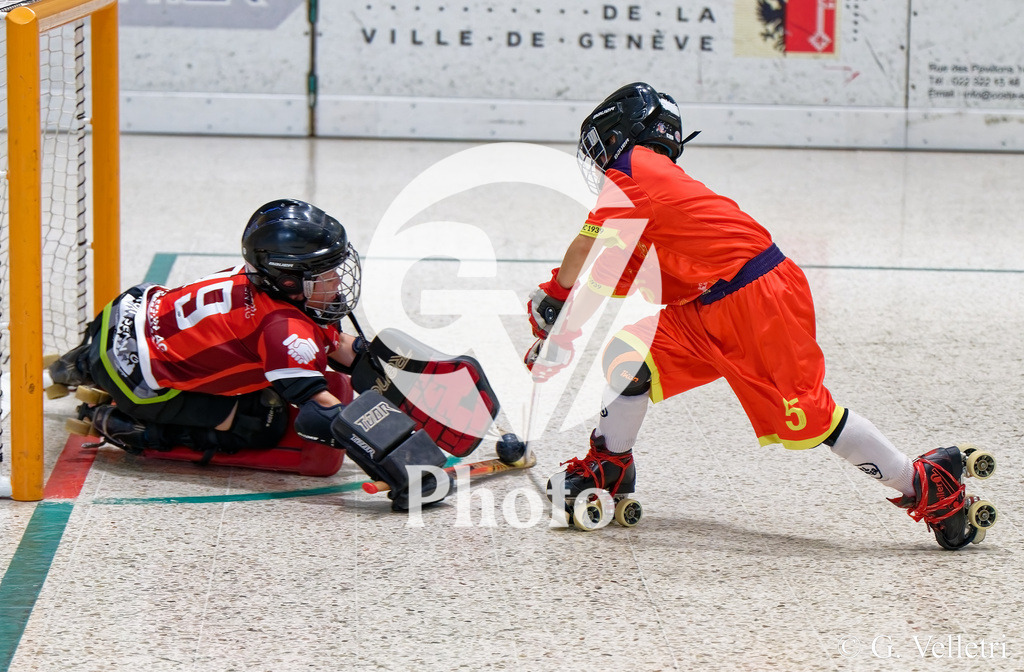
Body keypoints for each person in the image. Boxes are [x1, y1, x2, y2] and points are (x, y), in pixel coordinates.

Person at [526, 82, 995, 548]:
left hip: (758, 296)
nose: (601, 159)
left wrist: (552, 298)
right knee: (628, 359)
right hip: (709, 306)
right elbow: (604, 271)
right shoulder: (654, 196)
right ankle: (609, 465)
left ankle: (928, 484)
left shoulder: (633, 170)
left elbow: (585, 249)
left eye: (604, 142)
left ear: (624, 135)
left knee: (807, 416)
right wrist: (562, 331)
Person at [47, 198, 448, 509]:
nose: (337, 281)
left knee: (283, 384)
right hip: (136, 377)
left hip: (129, 314)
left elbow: (341, 349)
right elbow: (321, 412)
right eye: (324, 273)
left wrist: (406, 387)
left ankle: (75, 367)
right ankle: (117, 421)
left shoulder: (271, 286)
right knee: (263, 421)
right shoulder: (282, 329)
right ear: (289, 281)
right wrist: (402, 465)